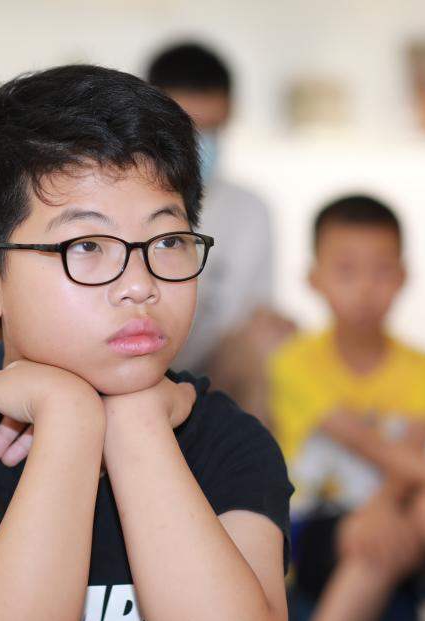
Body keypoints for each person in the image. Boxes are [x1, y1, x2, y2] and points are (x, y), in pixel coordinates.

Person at [0, 64, 331, 621]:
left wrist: (135, 424)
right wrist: (70, 418)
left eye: (168, 241)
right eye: (86, 248)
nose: (140, 284)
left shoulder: (227, 437)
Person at [269, 195, 425, 621]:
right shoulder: (295, 362)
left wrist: (385, 507)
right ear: (314, 279)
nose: (365, 288)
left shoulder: (421, 366)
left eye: (381, 271)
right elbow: (363, 441)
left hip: (394, 508)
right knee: (393, 532)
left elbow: (410, 455)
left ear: (403, 278)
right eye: (346, 271)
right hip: (312, 525)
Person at [147, 42, 294, 423]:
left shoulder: (251, 209)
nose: (199, 143)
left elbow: (253, 315)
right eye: (186, 127)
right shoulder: (120, 198)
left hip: (213, 369)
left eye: (212, 129)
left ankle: (255, 475)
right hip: (133, 355)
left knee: (275, 341)